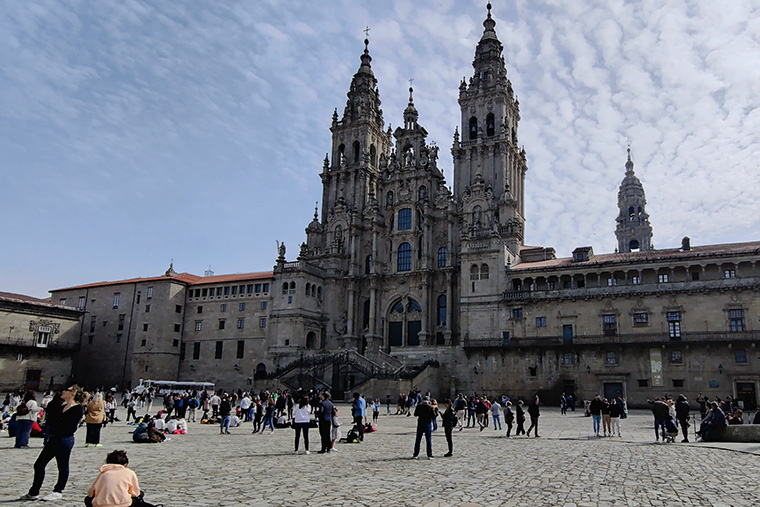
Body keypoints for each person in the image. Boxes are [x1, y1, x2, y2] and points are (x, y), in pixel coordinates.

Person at [22, 385, 88, 502]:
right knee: (39, 464)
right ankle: (34, 491)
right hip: (54, 438)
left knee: (62, 466)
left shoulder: (78, 408)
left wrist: (56, 420)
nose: (63, 391)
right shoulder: (61, 406)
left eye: (66, 390)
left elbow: (67, 425)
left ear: (72, 393)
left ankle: (58, 490)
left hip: (64, 439)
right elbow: (51, 420)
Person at [84, 449, 157, 507]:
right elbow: (135, 493)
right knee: (139, 496)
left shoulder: (103, 474)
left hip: (101, 504)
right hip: (123, 504)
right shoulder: (129, 472)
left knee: (87, 499)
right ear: (125, 464)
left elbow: (91, 493)